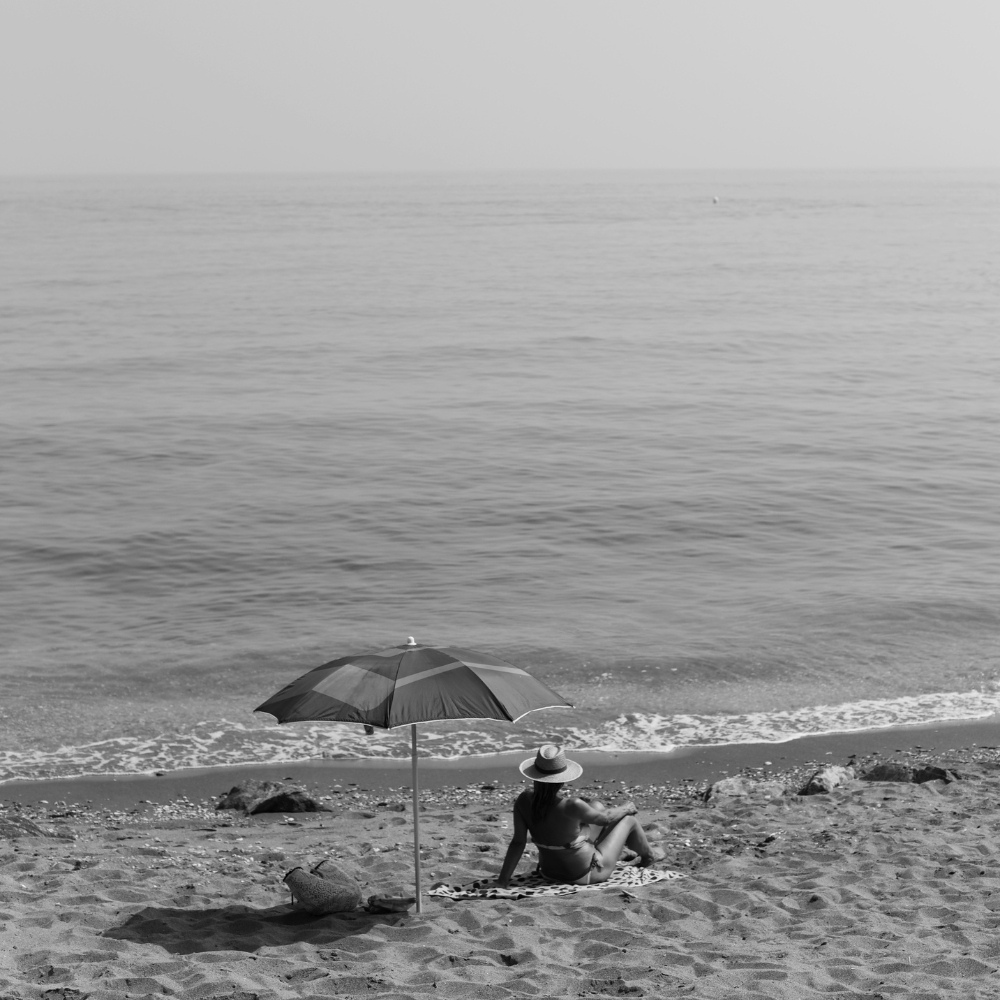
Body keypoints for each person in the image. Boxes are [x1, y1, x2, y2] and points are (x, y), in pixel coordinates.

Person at [496, 744, 661, 888]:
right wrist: (626, 808)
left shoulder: (524, 800)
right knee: (629, 820)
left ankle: (618, 851)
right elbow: (605, 819)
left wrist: (503, 881)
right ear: (562, 779)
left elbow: (518, 843)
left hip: (549, 872)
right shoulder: (572, 805)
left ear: (534, 776)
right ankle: (649, 856)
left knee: (596, 806)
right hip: (585, 874)